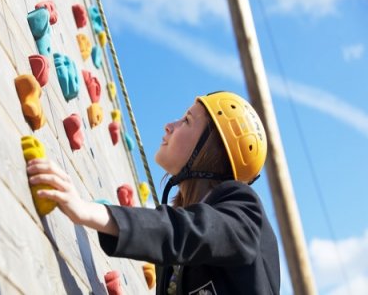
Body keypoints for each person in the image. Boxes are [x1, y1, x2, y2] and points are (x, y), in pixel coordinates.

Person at [27, 91, 280, 294]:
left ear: (210, 152)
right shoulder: (178, 250)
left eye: (187, 121)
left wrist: (89, 212)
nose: (169, 126)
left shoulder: (244, 212)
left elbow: (191, 231)